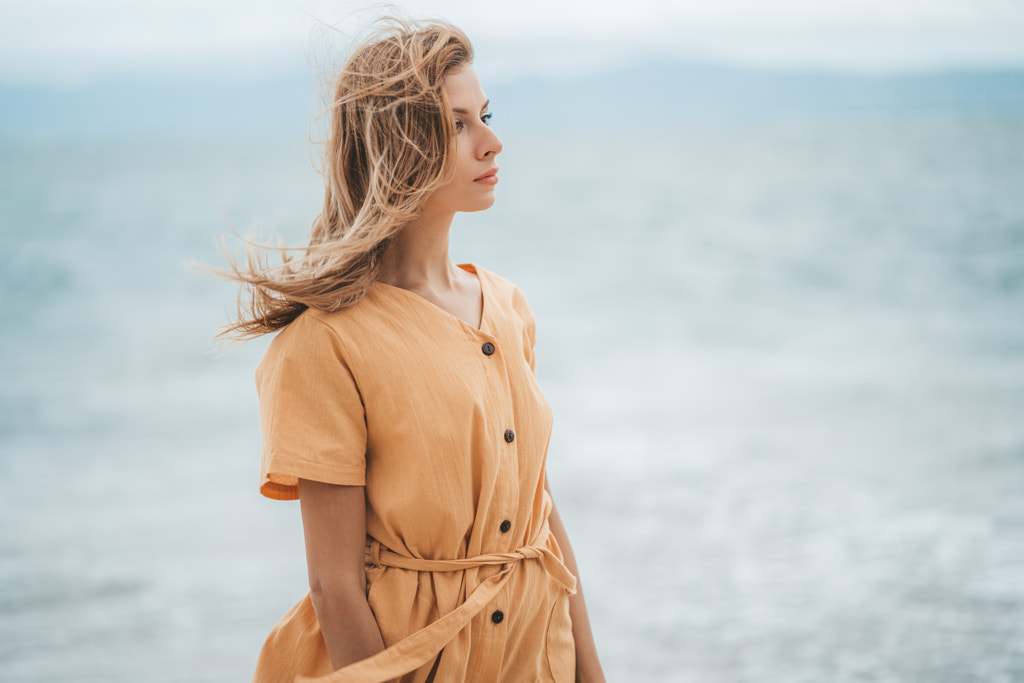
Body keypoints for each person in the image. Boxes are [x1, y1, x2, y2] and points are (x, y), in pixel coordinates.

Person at [218, 18, 605, 683]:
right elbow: (333, 585)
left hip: (538, 657)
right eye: (457, 125)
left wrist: (591, 670)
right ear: (399, 143)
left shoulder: (507, 308)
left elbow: (538, 512)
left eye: (484, 115)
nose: (492, 141)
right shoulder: (326, 344)